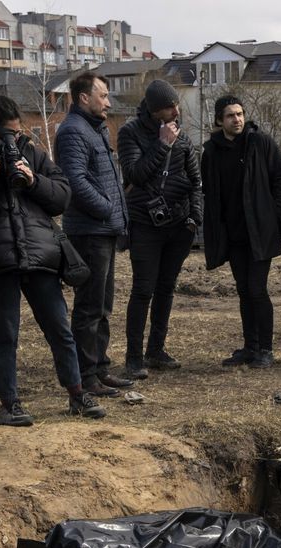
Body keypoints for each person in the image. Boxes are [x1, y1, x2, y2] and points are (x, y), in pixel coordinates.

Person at [0, 95, 106, 425]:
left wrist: (32, 180)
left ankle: (77, 393)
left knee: (59, 328)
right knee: (5, 333)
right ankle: (9, 403)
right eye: (5, 134)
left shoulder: (30, 149)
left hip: (39, 253)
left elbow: (63, 196)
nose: (12, 140)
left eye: (16, 132)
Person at [54, 72, 134, 397]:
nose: (108, 102)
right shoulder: (73, 131)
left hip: (104, 231)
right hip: (89, 232)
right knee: (89, 308)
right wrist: (105, 208)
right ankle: (86, 377)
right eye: (103, 95)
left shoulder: (94, 128)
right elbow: (74, 180)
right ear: (84, 98)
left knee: (103, 306)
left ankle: (100, 368)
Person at [117, 78, 202, 380]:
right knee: (143, 289)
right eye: (169, 107)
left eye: (176, 104)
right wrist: (161, 143)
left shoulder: (183, 138)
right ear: (155, 110)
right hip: (145, 225)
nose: (176, 111)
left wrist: (195, 218)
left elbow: (196, 182)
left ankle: (157, 350)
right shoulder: (130, 133)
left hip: (179, 226)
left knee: (166, 288)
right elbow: (135, 175)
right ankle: (133, 357)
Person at [201, 94, 281, 369]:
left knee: (257, 289)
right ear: (220, 120)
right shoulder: (212, 151)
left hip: (259, 232)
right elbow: (210, 192)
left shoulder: (260, 142)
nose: (237, 119)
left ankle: (265, 348)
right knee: (243, 290)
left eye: (240, 113)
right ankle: (250, 347)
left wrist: (272, 214)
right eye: (230, 115)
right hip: (233, 234)